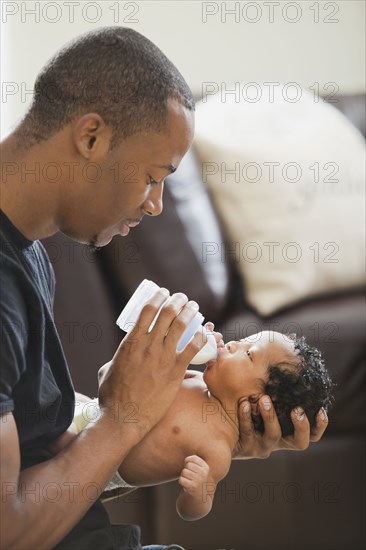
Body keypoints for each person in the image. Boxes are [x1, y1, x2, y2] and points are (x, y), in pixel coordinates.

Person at [0, 27, 328, 550]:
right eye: (154, 176)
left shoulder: (30, 252)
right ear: (91, 138)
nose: (155, 205)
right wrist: (125, 418)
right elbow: (8, 531)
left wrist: (191, 436)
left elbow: (46, 462)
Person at [89, 330, 333, 521]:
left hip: (101, 468)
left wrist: (200, 490)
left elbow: (189, 512)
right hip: (94, 413)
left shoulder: (217, 447)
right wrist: (177, 353)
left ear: (260, 401)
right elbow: (136, 384)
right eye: (242, 340)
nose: (232, 344)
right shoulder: (198, 382)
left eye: (248, 353)